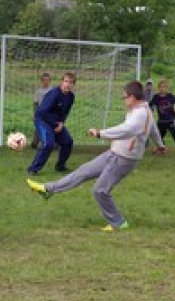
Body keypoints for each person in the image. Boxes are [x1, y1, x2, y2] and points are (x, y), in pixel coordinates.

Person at [26, 81, 166, 231]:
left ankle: (118, 223)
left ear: (132, 97)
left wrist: (101, 133)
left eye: (124, 97)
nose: (123, 100)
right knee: (83, 171)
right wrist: (160, 144)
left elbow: (127, 130)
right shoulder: (143, 110)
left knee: (100, 190)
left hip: (125, 158)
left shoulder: (140, 114)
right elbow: (153, 129)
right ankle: (48, 189)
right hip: (115, 153)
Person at [27, 72, 75, 176]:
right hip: (42, 120)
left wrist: (61, 123)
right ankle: (33, 169)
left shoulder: (71, 97)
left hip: (56, 123)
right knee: (49, 144)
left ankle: (60, 166)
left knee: (68, 142)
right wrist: (55, 124)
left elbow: (65, 112)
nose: (68, 84)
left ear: (73, 85)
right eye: (66, 81)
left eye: (70, 82)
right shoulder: (54, 94)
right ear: (61, 82)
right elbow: (43, 112)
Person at [149, 79, 175, 157]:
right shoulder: (156, 97)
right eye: (161, 87)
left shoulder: (170, 96)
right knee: (158, 137)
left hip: (170, 120)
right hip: (161, 121)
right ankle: (160, 148)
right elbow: (150, 105)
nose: (162, 89)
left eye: (164, 87)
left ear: (167, 88)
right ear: (158, 88)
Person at [30, 72, 53, 149]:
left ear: (50, 81)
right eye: (44, 80)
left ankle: (53, 143)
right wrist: (35, 113)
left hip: (50, 112)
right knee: (39, 127)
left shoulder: (53, 91)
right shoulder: (38, 92)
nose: (46, 82)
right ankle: (35, 142)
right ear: (42, 81)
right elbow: (36, 103)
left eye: (47, 80)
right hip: (41, 112)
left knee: (51, 128)